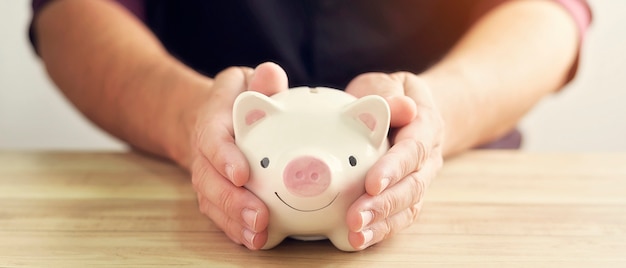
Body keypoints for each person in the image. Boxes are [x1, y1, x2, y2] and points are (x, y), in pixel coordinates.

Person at [29, 0, 591, 250]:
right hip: (173, 194)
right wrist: (187, 115)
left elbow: (544, 11)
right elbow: (72, 12)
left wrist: (433, 111)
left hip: (469, 195)